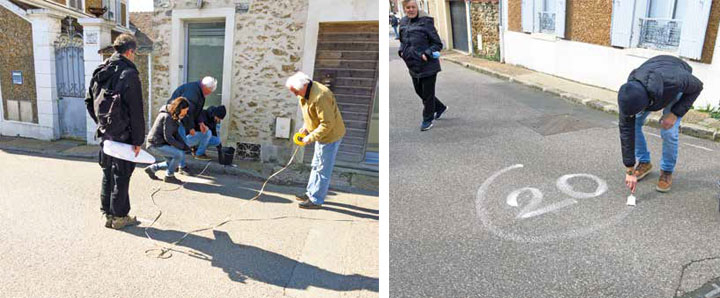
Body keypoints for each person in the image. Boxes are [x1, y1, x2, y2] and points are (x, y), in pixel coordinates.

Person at [85, 33, 145, 229]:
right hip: (124, 135)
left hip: (106, 134)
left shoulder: (101, 70)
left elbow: (89, 101)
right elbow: (136, 111)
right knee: (121, 175)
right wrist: (138, 140)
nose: (134, 56)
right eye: (134, 53)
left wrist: (101, 124)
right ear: (129, 52)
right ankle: (119, 217)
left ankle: (107, 214)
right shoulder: (129, 75)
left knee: (107, 172)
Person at [619, 55, 704, 193]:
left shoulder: (675, 80)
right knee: (634, 124)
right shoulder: (629, 94)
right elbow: (626, 130)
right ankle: (644, 163)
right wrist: (629, 169)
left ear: (646, 103)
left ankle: (666, 171)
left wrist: (675, 113)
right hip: (653, 75)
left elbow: (698, 86)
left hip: (672, 82)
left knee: (668, 131)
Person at [285, 72, 346, 209]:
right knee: (316, 165)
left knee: (323, 168)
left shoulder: (320, 96)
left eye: (295, 91)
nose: (295, 94)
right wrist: (305, 128)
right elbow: (311, 115)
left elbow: (327, 124)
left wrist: (309, 138)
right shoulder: (304, 93)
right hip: (321, 135)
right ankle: (310, 192)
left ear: (304, 85)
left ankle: (316, 200)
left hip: (330, 136)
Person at [398, 0, 447, 131]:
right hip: (412, 65)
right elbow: (403, 41)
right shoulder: (402, 22)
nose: (411, 9)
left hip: (428, 65)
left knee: (428, 94)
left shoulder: (426, 22)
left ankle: (427, 119)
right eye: (408, 7)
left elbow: (438, 44)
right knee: (419, 91)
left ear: (417, 8)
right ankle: (440, 107)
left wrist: (427, 53)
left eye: (413, 7)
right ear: (404, 9)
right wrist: (401, 51)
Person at [167, 76, 217, 158]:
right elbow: (187, 112)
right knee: (182, 142)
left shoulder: (200, 92)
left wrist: (201, 122)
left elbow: (198, 109)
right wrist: (190, 128)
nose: (208, 94)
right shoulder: (193, 93)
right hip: (177, 118)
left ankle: (176, 160)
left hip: (182, 117)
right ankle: (180, 166)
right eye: (208, 92)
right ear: (204, 87)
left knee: (184, 141)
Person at [145, 97, 192, 184]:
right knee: (179, 154)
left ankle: (152, 169)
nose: (186, 112)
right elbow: (168, 137)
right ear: (180, 108)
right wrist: (182, 147)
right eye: (185, 110)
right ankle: (169, 176)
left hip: (159, 143)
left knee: (172, 162)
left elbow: (175, 133)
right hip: (155, 144)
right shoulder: (167, 116)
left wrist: (185, 146)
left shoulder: (173, 115)